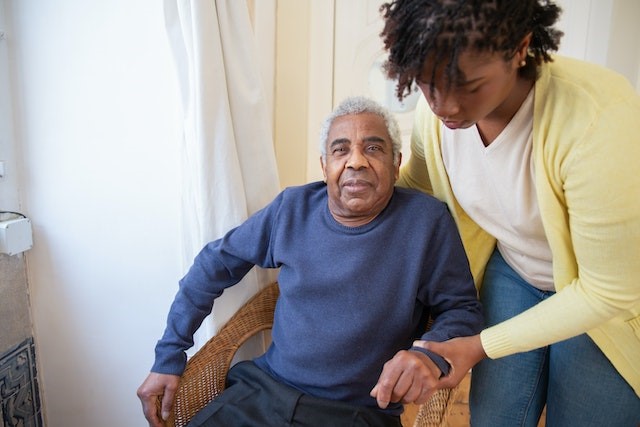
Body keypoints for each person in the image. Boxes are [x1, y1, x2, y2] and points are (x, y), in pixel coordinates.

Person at [137, 96, 483, 427]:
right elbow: (213, 265)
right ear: (324, 166)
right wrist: (170, 355)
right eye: (340, 149)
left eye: (374, 148)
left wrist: (428, 355)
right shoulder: (292, 208)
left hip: (356, 413)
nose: (356, 161)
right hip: (262, 394)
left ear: (396, 165)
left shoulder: (426, 222)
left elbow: (463, 310)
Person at [372, 1, 640, 426]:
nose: (446, 106)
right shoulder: (435, 116)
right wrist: (324, 206)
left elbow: (608, 291)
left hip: (608, 299)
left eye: (470, 87)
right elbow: (416, 189)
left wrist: (479, 345)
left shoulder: (597, 119)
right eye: (427, 84)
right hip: (515, 269)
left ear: (521, 48)